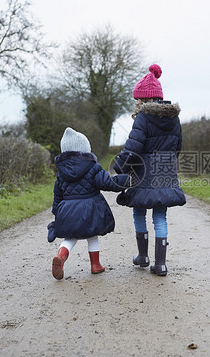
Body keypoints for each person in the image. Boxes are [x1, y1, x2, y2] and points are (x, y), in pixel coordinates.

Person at [113, 64, 186, 276]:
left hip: (143, 172)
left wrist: (120, 166)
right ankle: (161, 264)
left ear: (145, 99)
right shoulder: (174, 119)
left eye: (138, 99)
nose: (136, 102)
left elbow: (133, 146)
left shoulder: (143, 118)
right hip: (164, 172)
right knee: (160, 215)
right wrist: (167, 164)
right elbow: (178, 146)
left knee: (139, 210)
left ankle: (143, 256)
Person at [48, 127, 129, 280]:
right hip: (91, 210)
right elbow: (108, 182)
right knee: (92, 235)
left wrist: (56, 212)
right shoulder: (92, 168)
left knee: (70, 238)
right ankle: (95, 265)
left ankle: (61, 256)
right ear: (85, 150)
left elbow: (57, 194)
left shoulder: (61, 173)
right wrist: (126, 180)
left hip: (67, 211)